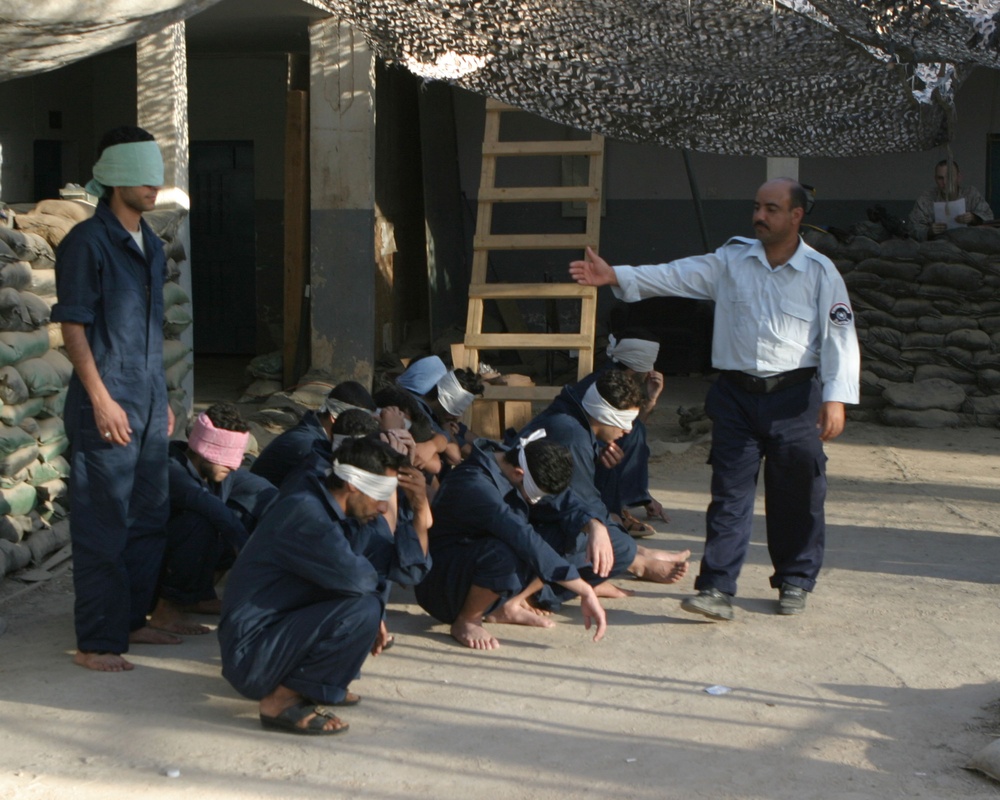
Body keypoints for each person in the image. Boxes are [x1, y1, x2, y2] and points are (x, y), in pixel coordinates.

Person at [570, 177, 860, 620]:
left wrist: (836, 397)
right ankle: (717, 588)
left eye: (771, 209)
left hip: (796, 398)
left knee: (797, 495)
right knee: (729, 495)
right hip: (737, 398)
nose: (759, 216)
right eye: (757, 207)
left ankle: (795, 579)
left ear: (796, 216)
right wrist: (617, 275)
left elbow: (840, 337)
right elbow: (676, 274)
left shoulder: (820, 273)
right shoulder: (731, 261)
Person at [53, 126, 176, 672]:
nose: (153, 183)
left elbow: (152, 330)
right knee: (104, 522)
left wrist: (164, 396)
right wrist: (100, 399)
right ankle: (97, 643)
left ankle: (131, 621)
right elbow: (74, 326)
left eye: (156, 173)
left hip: (149, 401)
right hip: (105, 402)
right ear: (113, 176)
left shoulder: (150, 243)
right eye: (141, 174)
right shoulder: (87, 243)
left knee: (150, 515)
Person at [219, 437, 432, 736]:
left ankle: (312, 685)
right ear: (353, 485)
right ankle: (280, 702)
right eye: (381, 494)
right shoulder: (305, 513)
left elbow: (408, 571)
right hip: (252, 651)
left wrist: (420, 507)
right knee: (365, 607)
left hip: (277, 639)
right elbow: (360, 581)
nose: (385, 506)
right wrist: (375, 610)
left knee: (370, 603)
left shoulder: (356, 516)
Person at [512, 369, 690, 610]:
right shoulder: (572, 435)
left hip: (545, 510)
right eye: (623, 422)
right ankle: (543, 593)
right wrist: (601, 525)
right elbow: (571, 501)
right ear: (604, 415)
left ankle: (632, 558)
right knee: (621, 547)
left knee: (609, 493)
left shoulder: (577, 420)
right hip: (526, 520)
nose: (627, 430)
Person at [414, 433, 607, 650]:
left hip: (479, 558)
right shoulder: (476, 485)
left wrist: (594, 525)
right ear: (518, 473)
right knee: (505, 552)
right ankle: (467, 619)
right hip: (443, 581)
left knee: (567, 529)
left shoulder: (512, 458)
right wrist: (584, 589)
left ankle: (507, 605)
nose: (533, 500)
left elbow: (562, 500)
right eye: (533, 495)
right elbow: (522, 537)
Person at [148, 403, 275, 634]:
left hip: (180, 565)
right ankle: (164, 611)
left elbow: (266, 494)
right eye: (226, 458)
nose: (233, 465)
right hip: (149, 571)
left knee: (247, 509)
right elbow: (213, 510)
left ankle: (201, 596)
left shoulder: (221, 471)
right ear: (204, 448)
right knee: (203, 520)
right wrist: (246, 550)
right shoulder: (171, 469)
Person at [586, 328, 670, 537]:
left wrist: (650, 400)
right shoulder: (606, 386)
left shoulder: (616, 380)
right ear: (639, 367)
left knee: (634, 431)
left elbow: (624, 429)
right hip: (583, 457)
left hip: (595, 450)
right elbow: (627, 434)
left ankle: (622, 503)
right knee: (634, 433)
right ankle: (614, 512)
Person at [909, 159, 994, 240]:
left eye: (949, 177)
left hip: (968, 244)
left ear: (959, 177)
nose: (945, 182)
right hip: (938, 247)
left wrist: (973, 218)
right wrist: (929, 231)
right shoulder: (926, 199)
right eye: (940, 178)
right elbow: (912, 229)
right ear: (935, 179)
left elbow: (990, 218)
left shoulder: (971, 194)